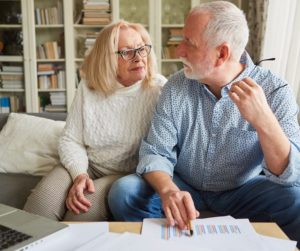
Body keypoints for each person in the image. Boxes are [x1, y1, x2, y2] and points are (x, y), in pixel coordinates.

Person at [108, 1, 300, 246]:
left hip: (245, 189)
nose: (179, 51)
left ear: (222, 53)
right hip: (185, 184)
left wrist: (265, 122)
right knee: (124, 193)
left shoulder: (275, 90)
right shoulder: (175, 87)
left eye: (189, 42)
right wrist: (169, 190)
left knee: (297, 199)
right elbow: (155, 152)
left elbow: (291, 175)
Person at [23, 20, 167, 221]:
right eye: (126, 52)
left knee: (79, 214)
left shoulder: (159, 89)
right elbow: (71, 139)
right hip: (88, 165)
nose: (139, 58)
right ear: (106, 59)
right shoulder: (88, 86)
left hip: (125, 174)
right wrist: (79, 175)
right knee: (40, 206)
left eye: (142, 49)